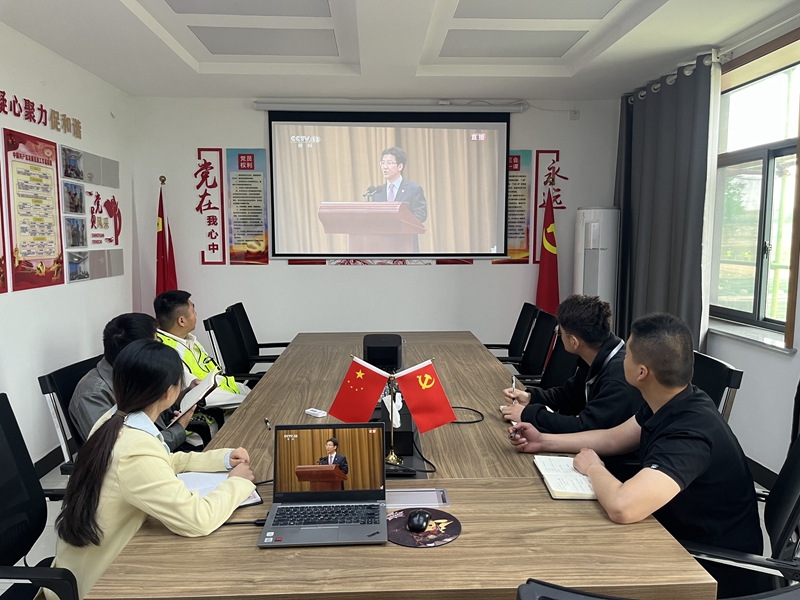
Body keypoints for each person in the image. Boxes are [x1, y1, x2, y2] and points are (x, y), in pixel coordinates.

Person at [508, 314, 764, 597]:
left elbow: (623, 507)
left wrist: (593, 468)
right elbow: (614, 438)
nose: (622, 359)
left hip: (710, 568)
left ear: (642, 372)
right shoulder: (672, 399)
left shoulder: (690, 433)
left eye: (627, 354)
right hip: (669, 529)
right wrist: (544, 441)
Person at [48, 340, 256, 600]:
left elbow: (162, 460)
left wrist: (222, 459)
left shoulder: (113, 419)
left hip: (91, 562)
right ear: (170, 393)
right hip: (98, 583)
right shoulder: (135, 448)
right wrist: (236, 483)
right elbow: (198, 519)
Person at [501, 295, 644, 433]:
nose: (559, 335)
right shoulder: (596, 357)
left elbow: (585, 427)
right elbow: (570, 396)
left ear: (574, 342)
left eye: (559, 332)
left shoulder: (618, 378)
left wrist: (528, 414)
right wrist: (531, 397)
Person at [70, 313, 193, 451]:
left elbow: (154, 411)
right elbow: (121, 451)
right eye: (155, 344)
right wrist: (178, 429)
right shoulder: (92, 394)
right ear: (135, 353)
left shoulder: (135, 372)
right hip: (140, 458)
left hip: (160, 449)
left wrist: (186, 396)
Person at [154, 290, 249, 407]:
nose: (196, 314)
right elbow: (199, 395)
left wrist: (246, 392)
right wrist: (247, 401)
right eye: (193, 310)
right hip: (217, 408)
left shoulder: (186, 338)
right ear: (182, 321)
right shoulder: (166, 354)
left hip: (229, 391)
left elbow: (214, 377)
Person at [370, 147, 427, 251]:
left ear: (400, 166)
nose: (385, 167)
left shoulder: (413, 189)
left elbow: (421, 214)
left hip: (406, 243)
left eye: (389, 163)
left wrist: (399, 224)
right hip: (382, 245)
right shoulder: (377, 192)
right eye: (382, 163)